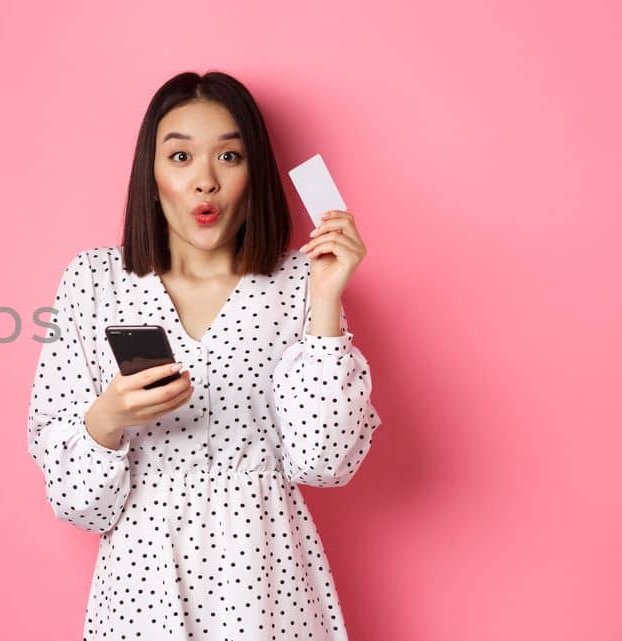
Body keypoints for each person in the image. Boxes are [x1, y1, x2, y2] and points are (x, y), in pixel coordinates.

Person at [26, 70, 381, 640]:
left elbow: (324, 463)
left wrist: (326, 303)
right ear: (152, 172)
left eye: (230, 156)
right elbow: (76, 503)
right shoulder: (93, 281)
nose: (205, 182)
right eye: (181, 157)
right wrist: (110, 416)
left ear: (254, 171)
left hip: (267, 584)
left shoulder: (299, 282)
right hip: (142, 592)